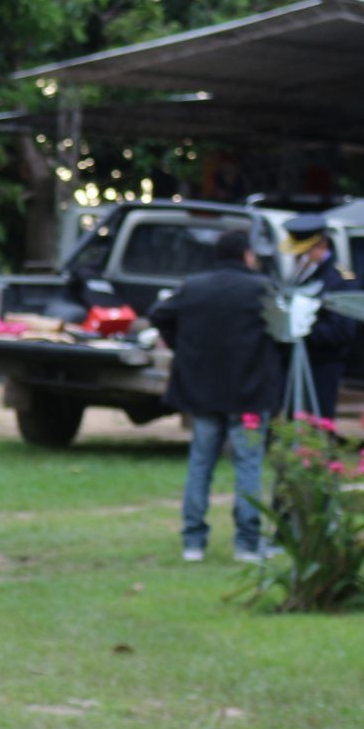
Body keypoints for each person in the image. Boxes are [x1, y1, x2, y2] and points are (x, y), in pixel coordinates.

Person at [150, 234, 287, 563]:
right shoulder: (261, 289)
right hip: (249, 392)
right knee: (248, 464)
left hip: (203, 392)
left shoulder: (194, 287)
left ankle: (193, 541)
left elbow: (158, 314)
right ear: (247, 254)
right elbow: (284, 330)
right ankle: (247, 542)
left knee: (200, 463)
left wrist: (181, 346)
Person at [281, 213, 359, 420]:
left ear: (321, 246)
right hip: (295, 359)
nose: (299, 258)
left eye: (304, 252)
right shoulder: (298, 273)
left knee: (319, 418)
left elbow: (342, 330)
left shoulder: (341, 279)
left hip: (322, 362)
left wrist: (302, 332)